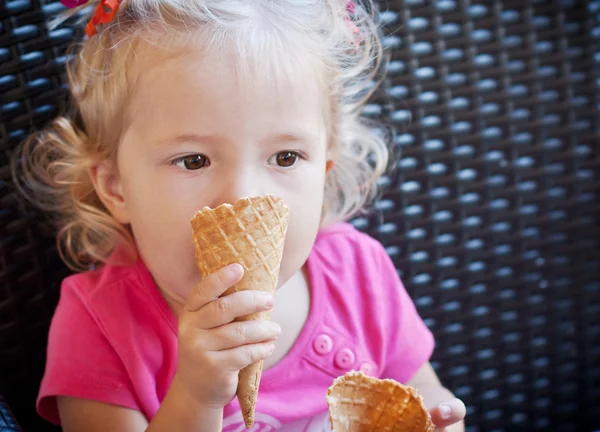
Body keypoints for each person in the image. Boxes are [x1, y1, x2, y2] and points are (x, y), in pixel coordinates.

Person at [13, 0, 466, 430]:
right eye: (194, 160)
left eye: (285, 157)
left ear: (324, 173)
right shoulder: (98, 325)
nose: (243, 197)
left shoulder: (358, 270)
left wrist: (435, 415)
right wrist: (195, 396)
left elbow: (421, 385)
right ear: (116, 187)